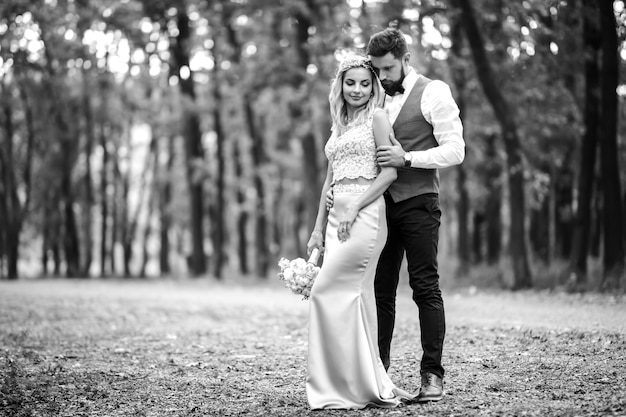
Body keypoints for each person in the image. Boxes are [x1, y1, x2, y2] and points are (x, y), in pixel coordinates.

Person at [305, 53, 413, 409]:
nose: (357, 89)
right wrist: (318, 229)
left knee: (327, 292)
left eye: (364, 83)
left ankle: (351, 383)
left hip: (365, 215)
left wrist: (355, 205)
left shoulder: (377, 118)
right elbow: (328, 180)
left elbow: (389, 173)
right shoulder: (339, 125)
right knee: (353, 298)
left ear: (372, 87)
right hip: (337, 218)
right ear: (341, 85)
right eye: (350, 82)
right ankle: (358, 381)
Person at [367, 28, 465, 402]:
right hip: (380, 206)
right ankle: (379, 372)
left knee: (424, 287)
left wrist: (407, 158)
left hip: (419, 202)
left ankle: (432, 376)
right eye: (376, 70)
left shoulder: (434, 91)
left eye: (388, 68)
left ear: (406, 59)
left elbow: (455, 150)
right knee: (381, 291)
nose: (382, 77)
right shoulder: (373, 96)